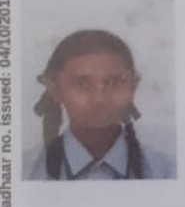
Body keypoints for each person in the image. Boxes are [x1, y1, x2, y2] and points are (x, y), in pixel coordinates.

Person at [24, 29, 175, 180]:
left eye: (114, 82)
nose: (99, 99)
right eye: (82, 84)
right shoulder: (24, 172)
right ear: (54, 89)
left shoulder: (166, 172)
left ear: (133, 85)